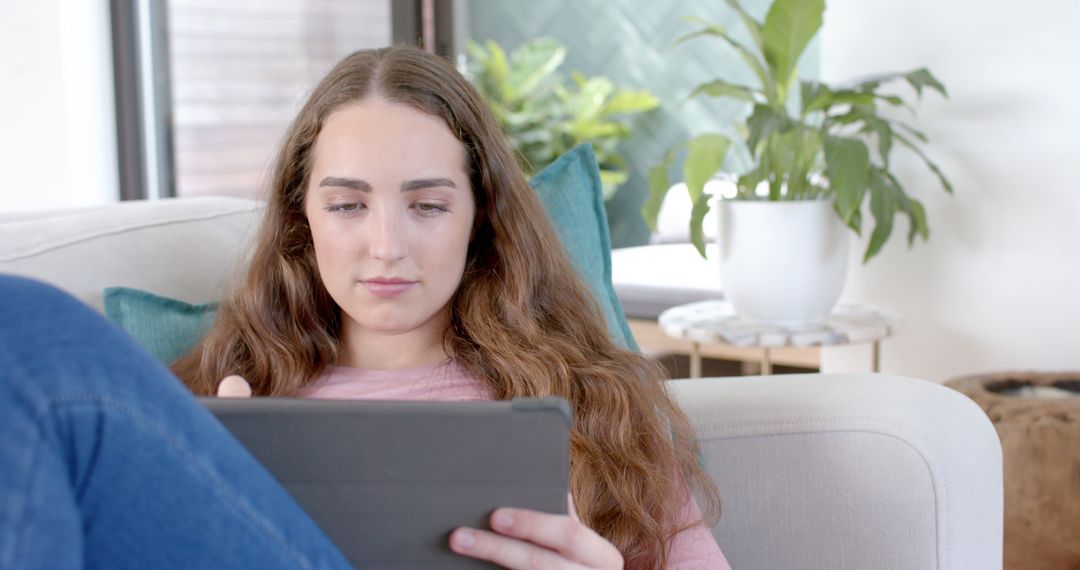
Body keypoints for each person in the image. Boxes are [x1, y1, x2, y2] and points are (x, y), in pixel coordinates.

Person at [3, 46, 730, 569]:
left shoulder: (597, 403)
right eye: (349, 204)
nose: (386, 246)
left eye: (427, 205)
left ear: (481, 217)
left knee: (28, 322)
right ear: (302, 219)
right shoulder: (216, 393)